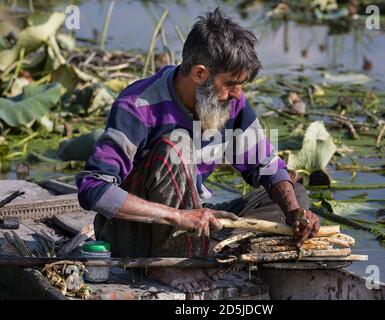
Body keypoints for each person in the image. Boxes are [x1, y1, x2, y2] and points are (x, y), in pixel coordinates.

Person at [76, 8, 320, 293]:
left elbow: (266, 166)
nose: (237, 94)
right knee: (176, 145)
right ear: (200, 73)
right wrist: (178, 217)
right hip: (137, 233)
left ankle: (208, 247)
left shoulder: (232, 104)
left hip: (193, 217)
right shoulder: (138, 106)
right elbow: (93, 189)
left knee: (295, 195)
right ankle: (169, 261)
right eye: (231, 84)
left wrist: (294, 212)